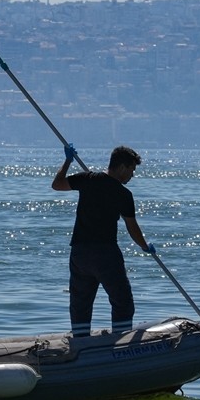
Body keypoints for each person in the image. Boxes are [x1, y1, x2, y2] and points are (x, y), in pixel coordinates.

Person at [52, 143, 155, 336]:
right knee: (122, 301)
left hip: (80, 253)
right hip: (105, 254)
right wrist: (145, 246)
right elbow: (132, 227)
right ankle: (121, 340)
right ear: (122, 167)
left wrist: (67, 161)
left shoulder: (87, 179)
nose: (132, 175)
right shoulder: (123, 194)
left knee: (81, 303)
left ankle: (80, 340)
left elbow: (57, 184)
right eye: (132, 170)